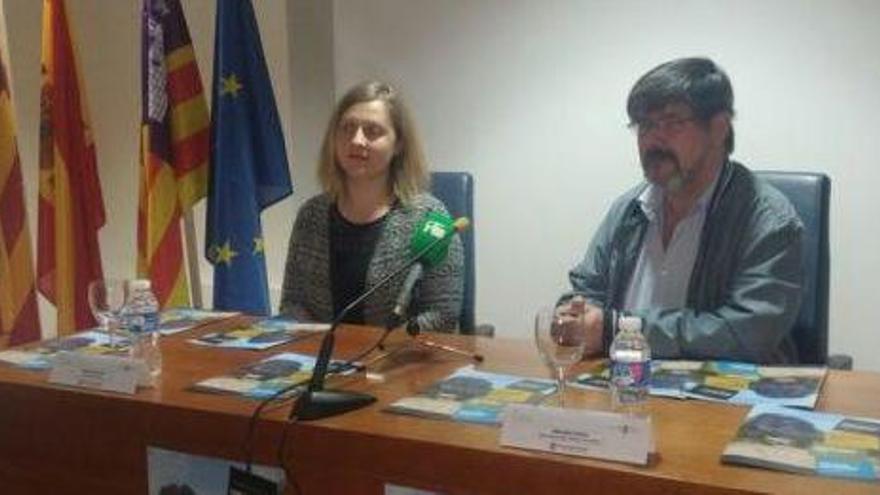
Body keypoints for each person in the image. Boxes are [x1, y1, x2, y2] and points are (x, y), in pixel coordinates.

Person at [560, 57, 804, 364]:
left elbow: (747, 334)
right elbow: (586, 290)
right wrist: (574, 316)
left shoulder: (769, 221)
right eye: (645, 125)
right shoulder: (629, 210)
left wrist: (615, 330)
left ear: (718, 128)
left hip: (721, 389)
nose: (653, 139)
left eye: (672, 123)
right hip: (623, 382)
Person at [279, 81, 464, 331]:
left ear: (398, 144)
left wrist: (379, 347)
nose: (357, 140)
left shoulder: (430, 218)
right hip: (321, 353)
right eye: (347, 128)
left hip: (400, 353)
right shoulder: (311, 215)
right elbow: (293, 304)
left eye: (373, 131)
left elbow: (442, 315)